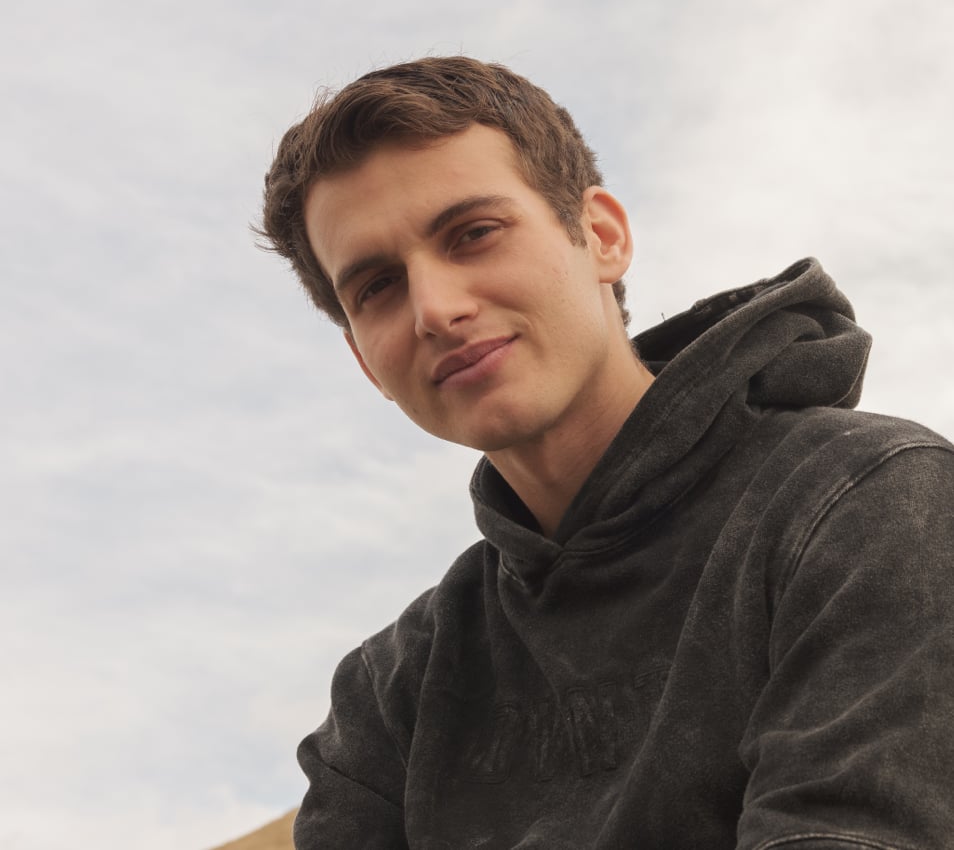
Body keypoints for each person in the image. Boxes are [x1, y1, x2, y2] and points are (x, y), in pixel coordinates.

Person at [259, 56, 954, 849]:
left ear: (601, 236)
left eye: (474, 235)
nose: (436, 309)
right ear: (364, 361)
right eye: (378, 287)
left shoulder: (868, 507)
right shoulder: (387, 701)